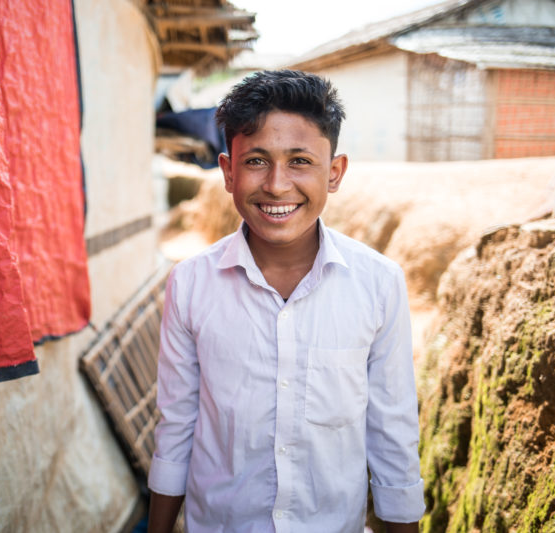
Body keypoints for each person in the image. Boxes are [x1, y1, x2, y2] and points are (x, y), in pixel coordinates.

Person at [146, 70, 425, 532]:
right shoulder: (190, 284)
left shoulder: (378, 284)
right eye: (256, 161)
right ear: (228, 171)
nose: (277, 185)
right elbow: (176, 426)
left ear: (333, 173)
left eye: (300, 161)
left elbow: (392, 432)